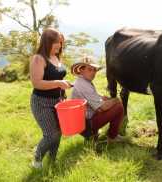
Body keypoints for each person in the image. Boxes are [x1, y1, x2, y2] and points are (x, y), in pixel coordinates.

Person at [29, 28, 72, 169]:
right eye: (56, 42)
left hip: (58, 101)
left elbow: (57, 76)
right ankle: (37, 160)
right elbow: (37, 83)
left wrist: (64, 88)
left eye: (60, 42)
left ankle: (52, 160)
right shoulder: (38, 58)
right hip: (41, 102)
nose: (59, 45)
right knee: (51, 134)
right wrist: (59, 83)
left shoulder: (56, 56)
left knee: (58, 132)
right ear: (47, 42)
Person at [70, 56, 125, 143]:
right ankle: (112, 137)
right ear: (81, 70)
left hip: (82, 122)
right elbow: (102, 107)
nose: (93, 73)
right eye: (89, 69)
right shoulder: (83, 85)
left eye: (94, 70)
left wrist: (103, 98)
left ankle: (93, 135)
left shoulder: (82, 81)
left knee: (109, 103)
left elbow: (94, 97)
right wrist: (116, 99)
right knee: (118, 106)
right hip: (85, 124)